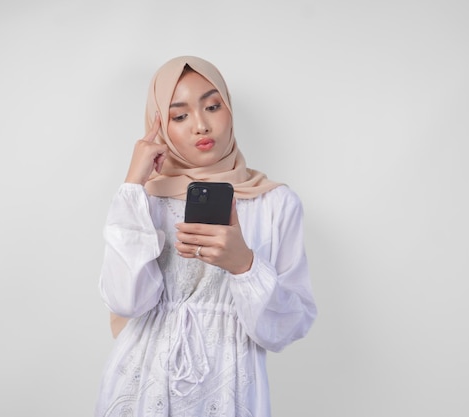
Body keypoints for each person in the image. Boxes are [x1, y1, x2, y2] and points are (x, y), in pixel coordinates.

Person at [95, 55, 317, 416]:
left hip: (228, 392)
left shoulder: (275, 203)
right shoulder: (141, 201)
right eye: (179, 116)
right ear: (160, 127)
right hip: (140, 389)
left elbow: (286, 328)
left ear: (229, 110)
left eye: (213, 106)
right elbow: (126, 303)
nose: (201, 125)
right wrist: (132, 185)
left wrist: (244, 266)